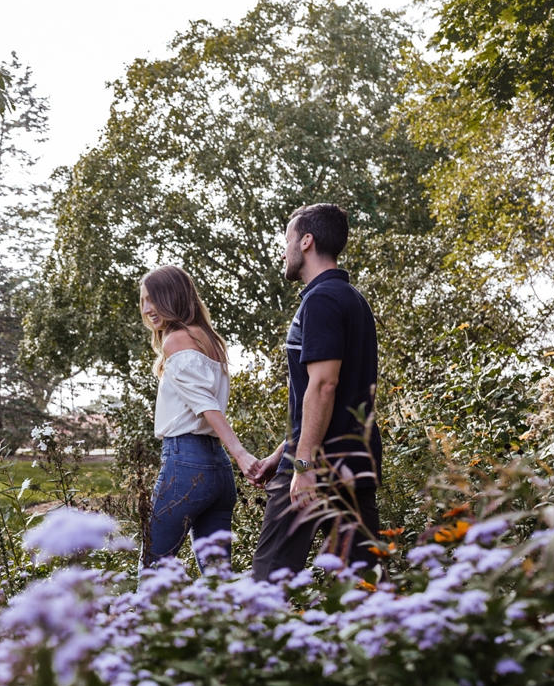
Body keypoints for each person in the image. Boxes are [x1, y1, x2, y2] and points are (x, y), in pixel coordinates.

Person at [246, 203, 382, 580]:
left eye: (288, 239)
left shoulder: (320, 301)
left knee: (266, 584)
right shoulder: (353, 299)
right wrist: (282, 452)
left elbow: (324, 386)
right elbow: (332, 391)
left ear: (306, 241)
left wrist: (302, 465)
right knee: (363, 587)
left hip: (317, 465)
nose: (284, 249)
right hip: (354, 462)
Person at [139, 265, 260, 569]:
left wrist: (241, 454)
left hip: (185, 464)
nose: (148, 309)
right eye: (143, 301)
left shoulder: (175, 340)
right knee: (218, 579)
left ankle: (143, 618)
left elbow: (206, 404)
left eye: (153, 299)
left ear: (173, 296)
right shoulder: (210, 340)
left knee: (153, 566)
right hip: (218, 471)